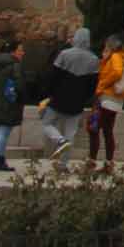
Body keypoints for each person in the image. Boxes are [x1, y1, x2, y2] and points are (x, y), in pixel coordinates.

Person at [40, 27, 98, 160]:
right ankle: (63, 164)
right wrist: (85, 98)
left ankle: (59, 140)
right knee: (70, 132)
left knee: (47, 124)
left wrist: (49, 93)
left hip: (59, 97)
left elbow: (53, 76)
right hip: (78, 100)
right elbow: (92, 84)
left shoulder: (64, 54)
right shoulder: (94, 59)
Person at [90, 34, 124, 171]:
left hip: (107, 98)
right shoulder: (121, 57)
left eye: (106, 45)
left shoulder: (116, 57)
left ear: (111, 45)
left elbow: (117, 72)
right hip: (115, 100)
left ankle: (92, 162)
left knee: (93, 127)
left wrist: (102, 86)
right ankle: (108, 163)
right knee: (107, 130)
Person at [0, 39, 25, 171]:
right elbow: (19, 86)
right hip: (9, 102)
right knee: (4, 133)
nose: (23, 53)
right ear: (13, 51)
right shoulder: (15, 65)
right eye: (20, 50)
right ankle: (0, 161)